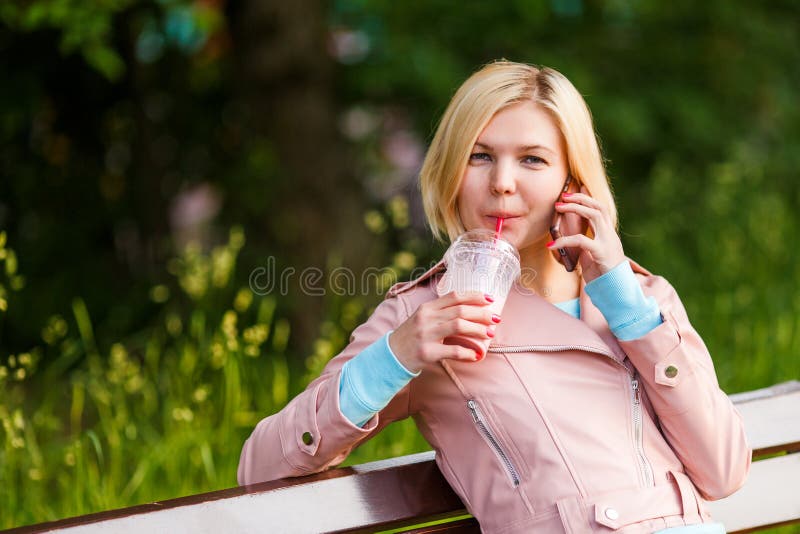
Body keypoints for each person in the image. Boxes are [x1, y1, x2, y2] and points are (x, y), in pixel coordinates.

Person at [237, 60, 750, 533]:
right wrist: (394, 356)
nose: (502, 184)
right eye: (479, 156)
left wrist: (623, 303)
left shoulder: (641, 297)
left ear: (570, 181)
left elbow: (722, 471)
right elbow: (261, 469)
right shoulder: (427, 315)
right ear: (451, 171)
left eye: (532, 159)